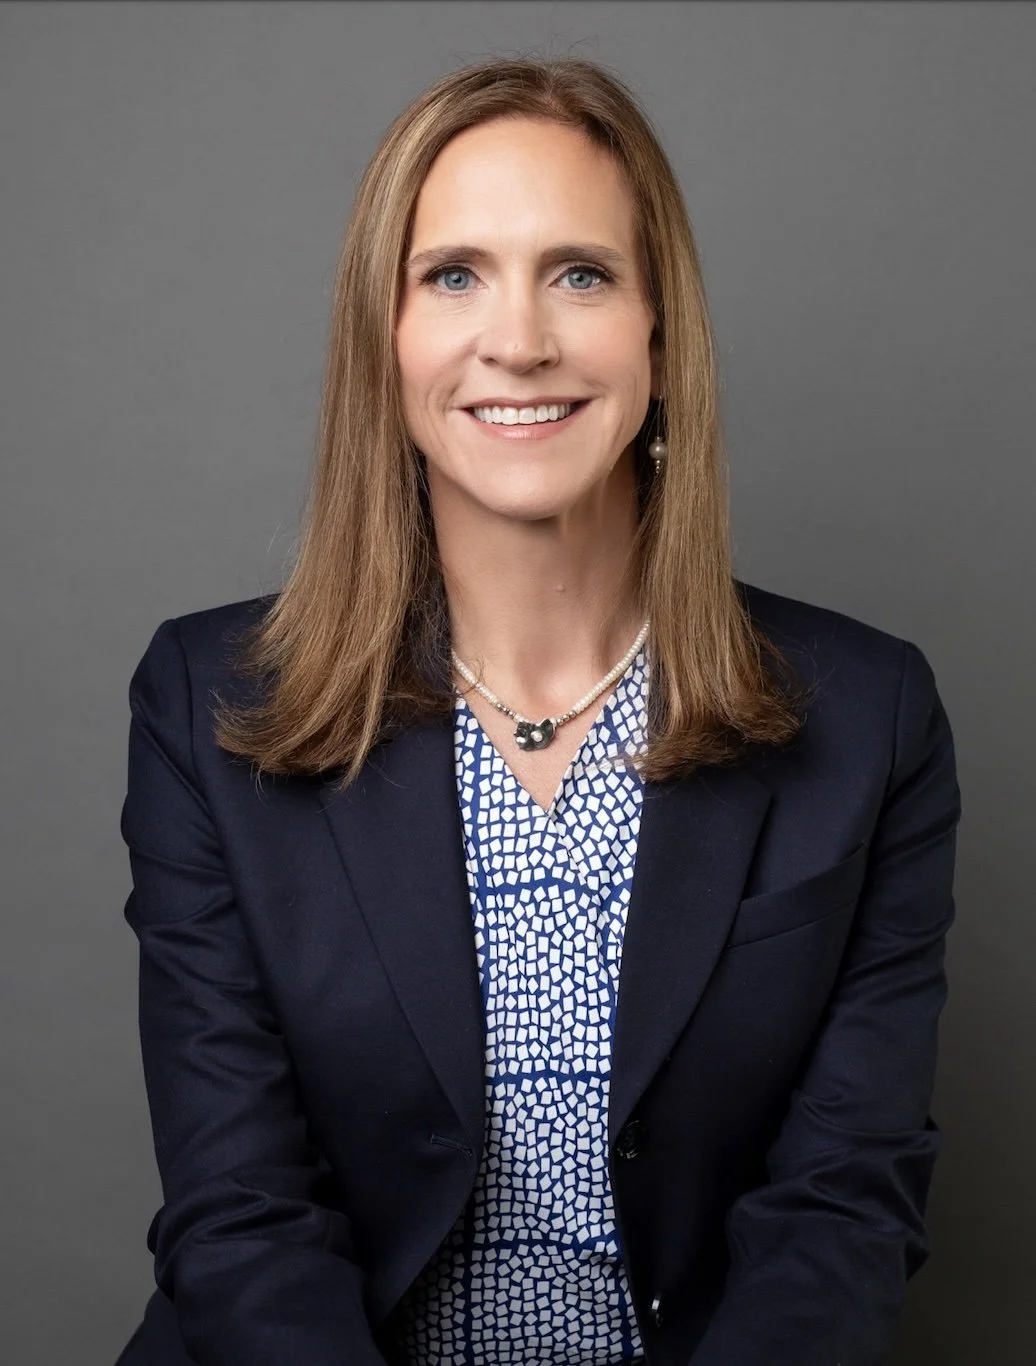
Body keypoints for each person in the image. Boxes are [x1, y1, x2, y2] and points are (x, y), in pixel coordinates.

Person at [113, 56, 961, 1366]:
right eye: (454, 275)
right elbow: (241, 1215)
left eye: (581, 274)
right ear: (384, 340)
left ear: (660, 338)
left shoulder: (870, 717)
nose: (519, 339)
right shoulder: (207, 704)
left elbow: (841, 1206)